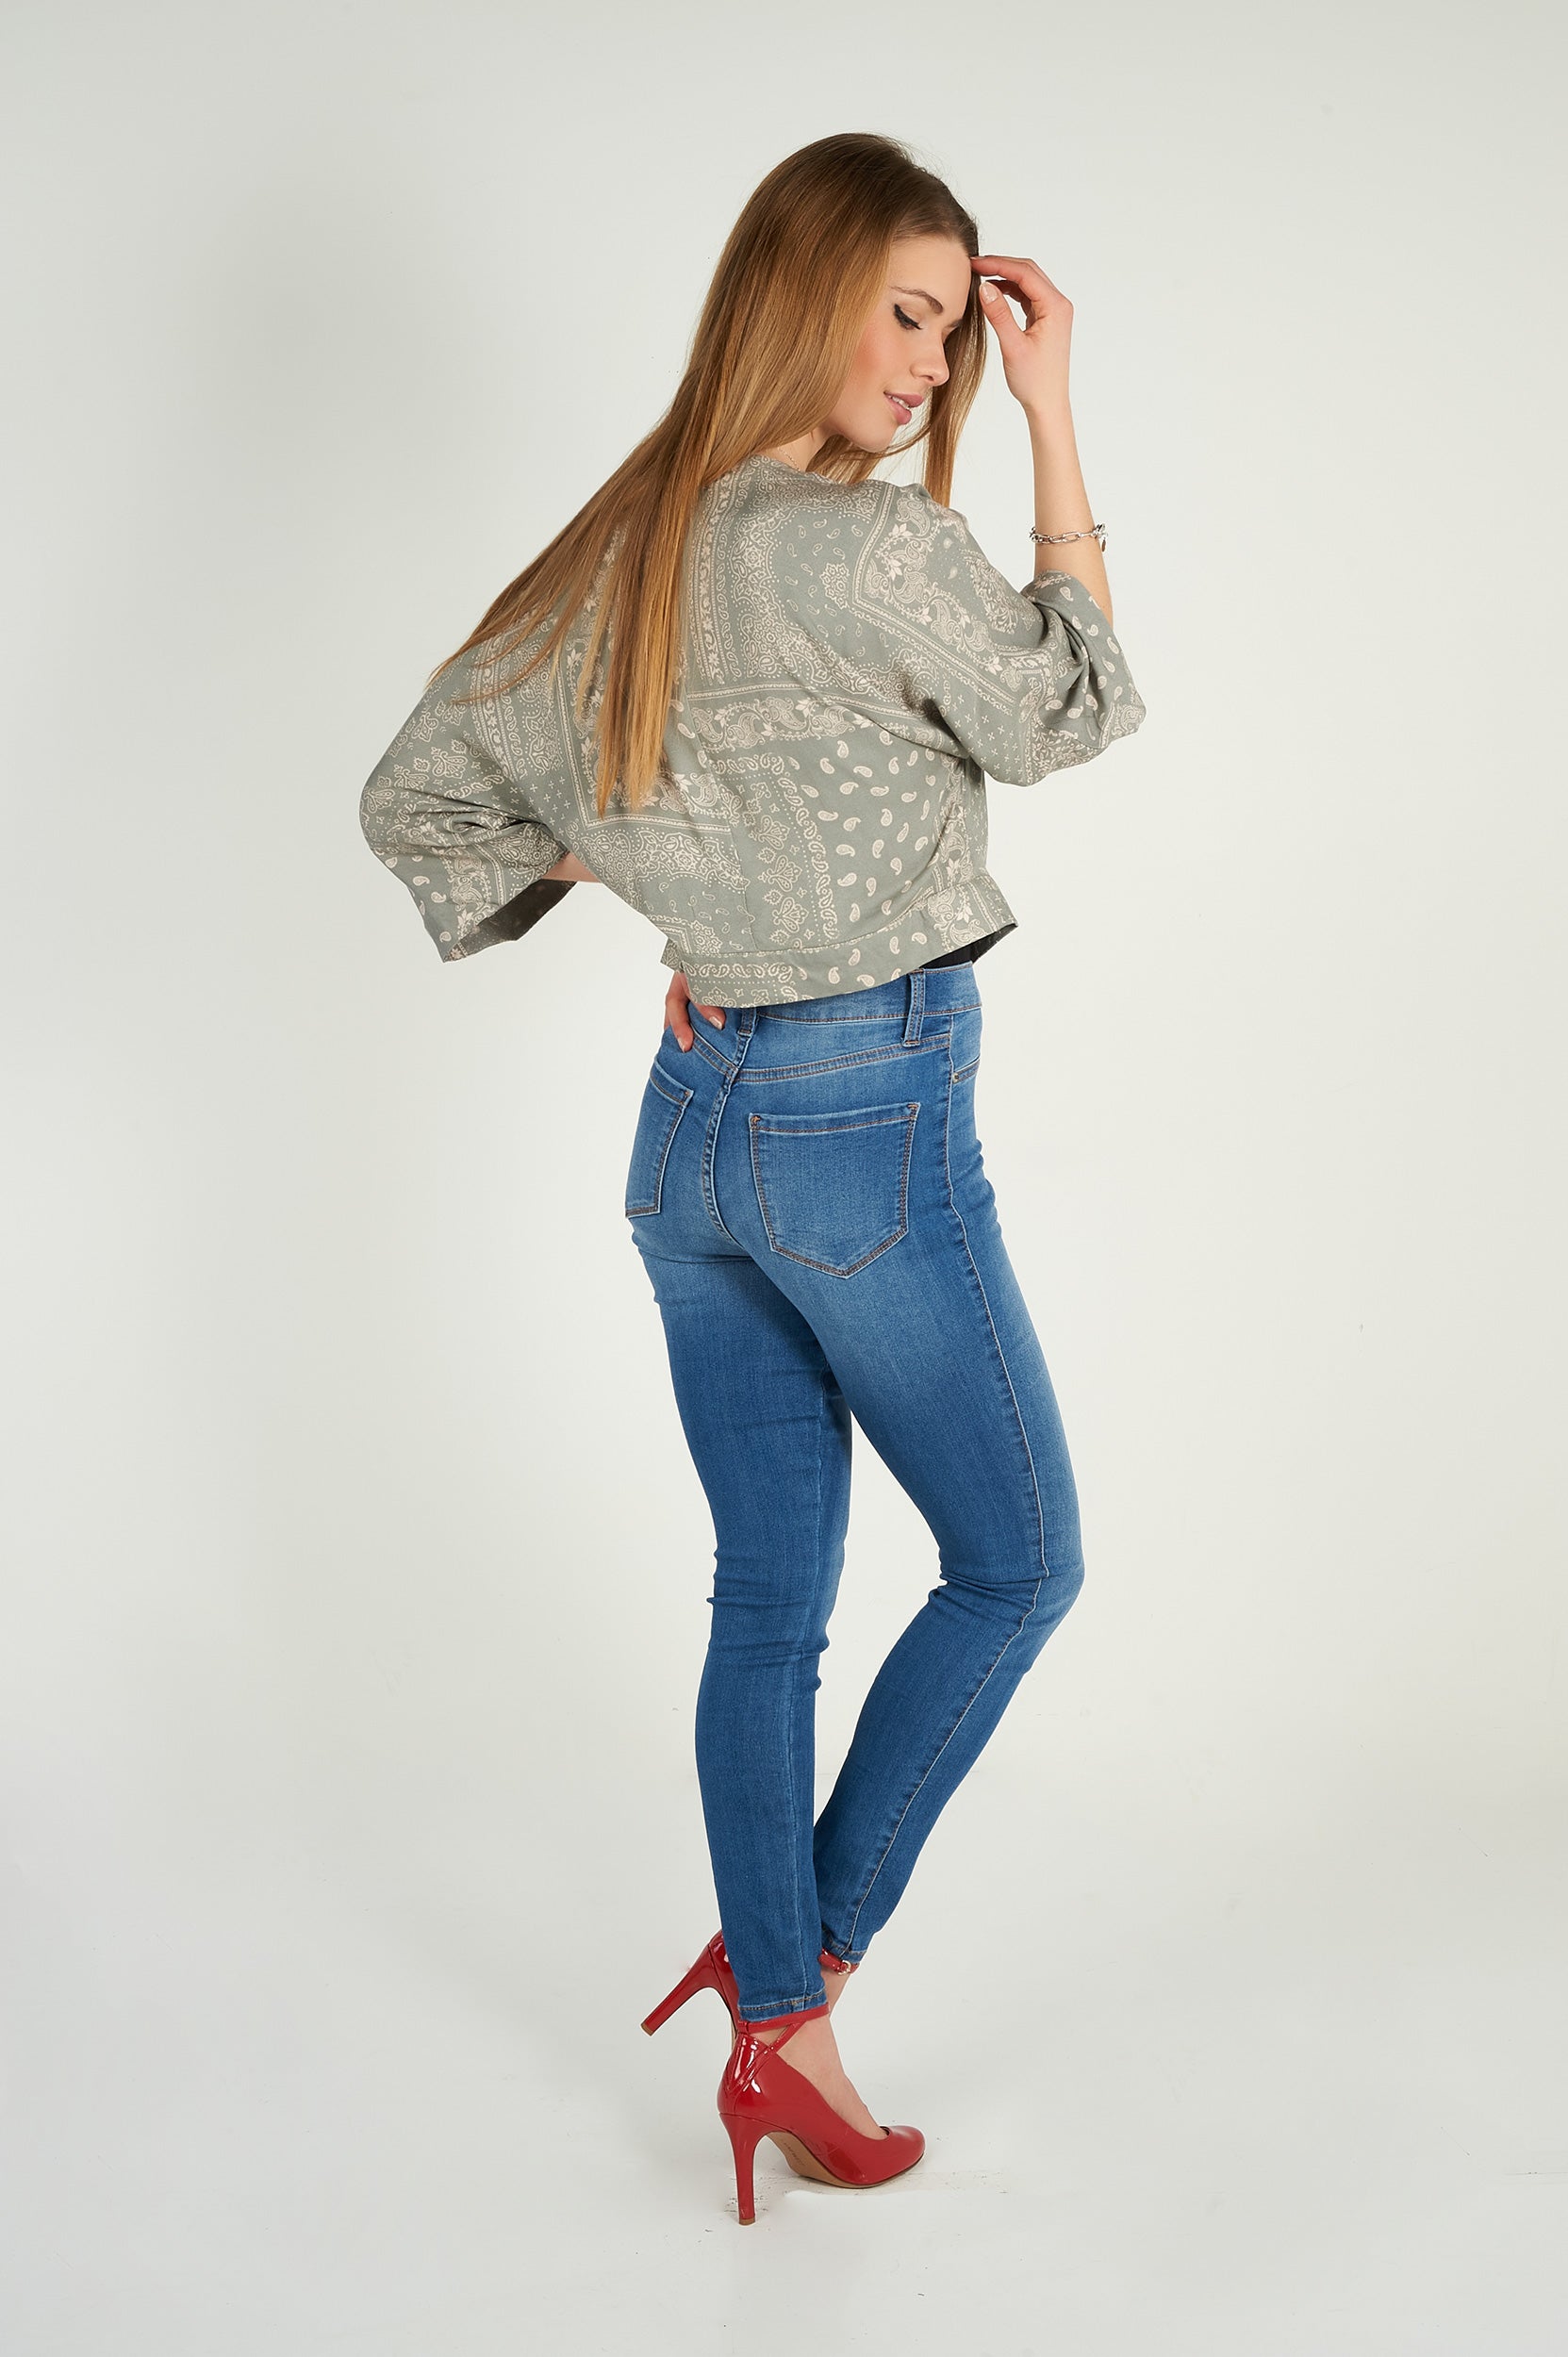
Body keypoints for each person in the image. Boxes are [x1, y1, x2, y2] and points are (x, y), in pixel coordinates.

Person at [359, 131, 1146, 2222]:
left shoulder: (622, 551)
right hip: (859, 1124)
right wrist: (1059, 415)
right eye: (910, 313)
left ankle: (770, 1997)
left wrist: (658, 868)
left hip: (691, 1139)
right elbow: (1070, 709)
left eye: (959, 332)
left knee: (768, 1600)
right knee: (1018, 1563)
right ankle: (800, 1984)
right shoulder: (864, 549)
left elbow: (417, 797)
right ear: (799, 293)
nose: (934, 364)